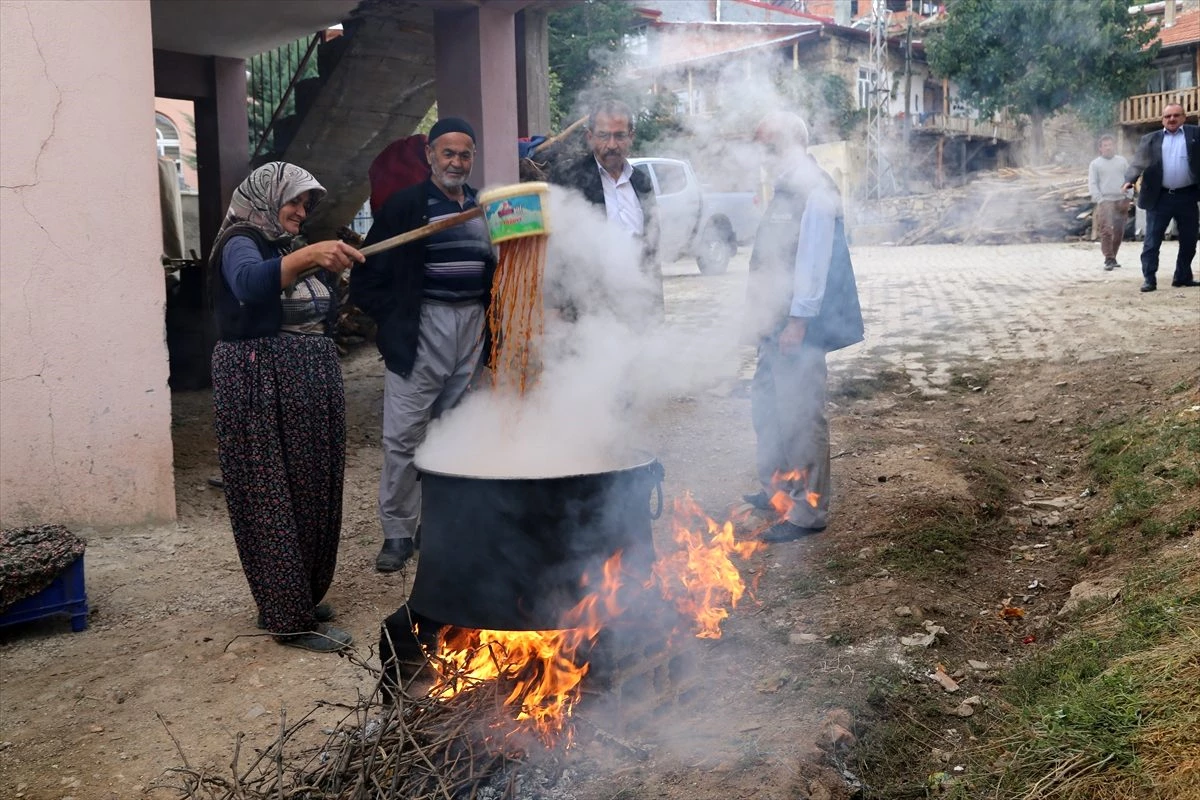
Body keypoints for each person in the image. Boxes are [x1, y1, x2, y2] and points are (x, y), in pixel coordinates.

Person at [209, 162, 364, 652]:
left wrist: (317, 262)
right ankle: (288, 618)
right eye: (294, 201)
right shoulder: (242, 240)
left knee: (309, 491)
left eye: (306, 204)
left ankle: (295, 594)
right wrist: (310, 256)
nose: (301, 211)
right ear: (267, 197)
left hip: (303, 384)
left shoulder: (284, 246)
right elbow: (249, 285)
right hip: (262, 384)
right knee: (272, 495)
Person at [350, 118, 497, 572]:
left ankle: (439, 528)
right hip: (423, 327)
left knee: (454, 430)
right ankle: (397, 532)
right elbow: (366, 273)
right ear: (431, 155)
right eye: (448, 153)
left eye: (465, 154)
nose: (457, 161)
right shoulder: (406, 205)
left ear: (473, 158)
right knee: (404, 436)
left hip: (472, 325)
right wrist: (395, 320)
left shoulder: (483, 207)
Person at [742, 112, 864, 544]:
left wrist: (797, 323)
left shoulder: (813, 188)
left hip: (798, 327)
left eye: (768, 145)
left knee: (800, 416)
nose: (762, 155)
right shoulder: (786, 185)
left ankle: (808, 510)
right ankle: (777, 489)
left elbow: (812, 264)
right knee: (768, 408)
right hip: (774, 324)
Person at [549, 97, 662, 314]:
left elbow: (652, 253)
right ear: (590, 137)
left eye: (619, 136)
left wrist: (657, 312)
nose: (611, 145)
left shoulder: (642, 183)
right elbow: (554, 251)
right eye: (603, 136)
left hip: (638, 303)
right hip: (587, 311)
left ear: (631, 137)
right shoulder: (569, 179)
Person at [1123, 103, 1200, 291]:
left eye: (1176, 115)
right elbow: (1138, 162)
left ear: (1184, 117)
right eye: (1167, 116)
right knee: (1152, 241)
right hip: (1160, 197)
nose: (1171, 119)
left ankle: (1182, 276)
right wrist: (1130, 180)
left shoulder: (1195, 135)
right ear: (1162, 119)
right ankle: (1149, 279)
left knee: (1189, 240)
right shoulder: (1150, 139)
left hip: (1187, 195)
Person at [1088, 134, 1130, 271]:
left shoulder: (1122, 161)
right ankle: (1108, 258)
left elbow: (1129, 179)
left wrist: (1128, 197)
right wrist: (1100, 199)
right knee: (1106, 230)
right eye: (1105, 145)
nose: (1108, 147)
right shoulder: (1095, 164)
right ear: (1100, 148)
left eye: (1110, 145)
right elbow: (1093, 183)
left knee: (1119, 231)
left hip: (1121, 199)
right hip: (1105, 200)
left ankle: (1113, 257)